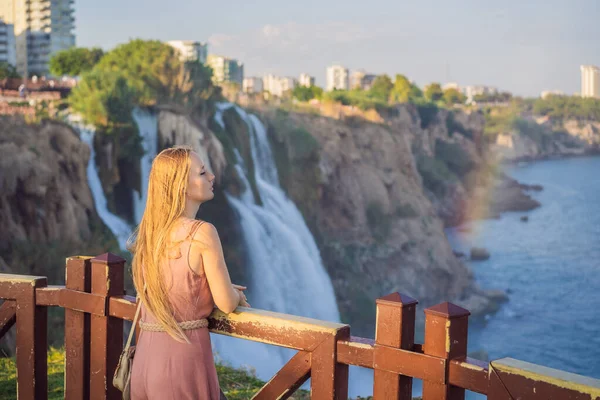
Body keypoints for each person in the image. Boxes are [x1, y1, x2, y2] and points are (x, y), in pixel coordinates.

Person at [129, 146, 250, 400]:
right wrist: (235, 295)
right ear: (181, 185)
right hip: (182, 364)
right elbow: (226, 303)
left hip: (143, 363)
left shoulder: (150, 236)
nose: (212, 177)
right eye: (203, 172)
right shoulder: (202, 232)